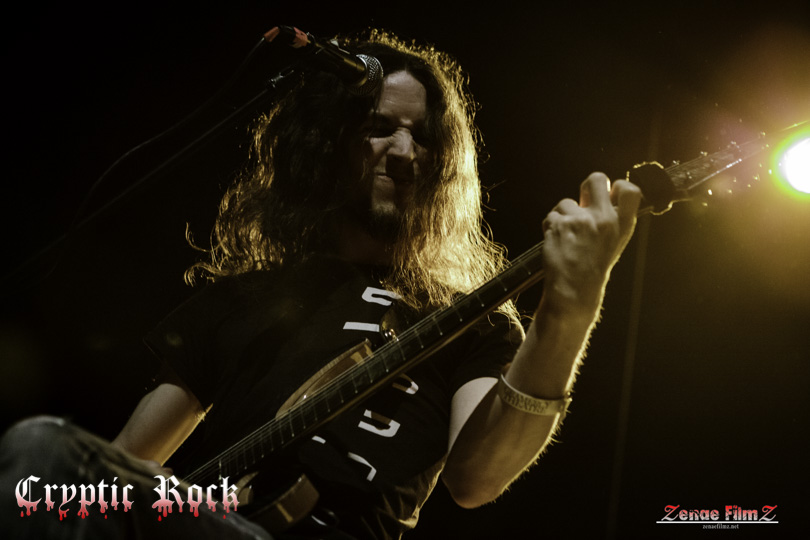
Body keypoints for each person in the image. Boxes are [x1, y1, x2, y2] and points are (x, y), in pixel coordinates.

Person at [2, 30, 641, 539]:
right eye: (380, 127)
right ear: (329, 142)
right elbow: (124, 467)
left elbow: (477, 479)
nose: (403, 152)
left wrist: (571, 307)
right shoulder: (242, 296)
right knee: (41, 463)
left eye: (422, 137)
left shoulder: (472, 319)